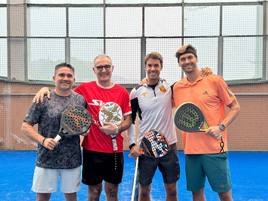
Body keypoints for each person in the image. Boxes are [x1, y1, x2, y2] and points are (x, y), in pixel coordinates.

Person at [32, 55, 132, 201]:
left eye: (107, 66)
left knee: (112, 192)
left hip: (115, 151)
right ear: (94, 70)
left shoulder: (122, 92)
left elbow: (128, 120)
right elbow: (63, 90)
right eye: (99, 67)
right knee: (94, 192)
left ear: (112, 68)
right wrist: (44, 88)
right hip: (91, 150)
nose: (103, 70)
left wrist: (117, 129)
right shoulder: (84, 90)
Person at [173, 44, 240, 201]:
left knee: (224, 194)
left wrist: (221, 126)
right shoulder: (177, 87)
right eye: (183, 59)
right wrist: (146, 81)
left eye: (190, 57)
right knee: (196, 194)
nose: (187, 61)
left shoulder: (215, 81)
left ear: (196, 58)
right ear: (179, 63)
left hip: (215, 149)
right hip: (191, 151)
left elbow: (235, 107)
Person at [21, 63, 86, 201]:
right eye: (61, 75)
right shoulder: (43, 98)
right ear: (54, 78)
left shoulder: (80, 100)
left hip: (72, 160)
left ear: (74, 79)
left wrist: (83, 135)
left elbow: (82, 125)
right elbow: (26, 126)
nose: (65, 78)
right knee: (42, 197)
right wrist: (43, 140)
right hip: (46, 159)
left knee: (71, 197)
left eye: (69, 75)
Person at [128, 52, 180, 201]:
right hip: (146, 148)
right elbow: (131, 120)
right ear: (145, 67)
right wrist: (132, 144)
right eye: (149, 65)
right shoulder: (136, 92)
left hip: (169, 146)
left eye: (156, 65)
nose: (153, 69)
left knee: (172, 190)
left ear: (161, 67)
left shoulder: (169, 88)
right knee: (144, 191)